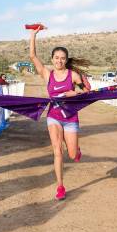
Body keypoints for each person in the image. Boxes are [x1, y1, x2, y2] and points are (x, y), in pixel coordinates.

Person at [29, 24, 89, 200]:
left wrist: (74, 93)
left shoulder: (73, 75)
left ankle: (76, 149)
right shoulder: (47, 74)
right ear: (52, 59)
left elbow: (86, 92)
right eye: (56, 58)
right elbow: (32, 56)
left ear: (66, 60)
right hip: (54, 117)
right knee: (57, 151)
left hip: (70, 117)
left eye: (62, 58)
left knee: (72, 154)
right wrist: (33, 34)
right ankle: (60, 186)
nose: (59, 61)